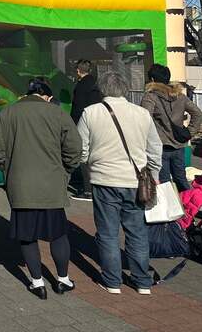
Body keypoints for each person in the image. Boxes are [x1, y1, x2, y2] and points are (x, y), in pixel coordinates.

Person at [0, 77, 82, 300]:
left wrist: (5, 168)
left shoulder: (8, 113)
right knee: (58, 234)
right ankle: (63, 280)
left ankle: (37, 283)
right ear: (47, 97)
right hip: (52, 184)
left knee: (27, 236)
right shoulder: (57, 113)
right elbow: (74, 147)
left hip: (20, 184)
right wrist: (66, 169)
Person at [78, 71, 162, 294]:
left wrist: (88, 162)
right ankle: (142, 281)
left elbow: (81, 149)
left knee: (107, 233)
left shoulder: (90, 112)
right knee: (137, 232)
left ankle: (112, 281)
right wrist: (154, 174)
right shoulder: (142, 113)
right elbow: (154, 149)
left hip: (103, 179)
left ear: (102, 89)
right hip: (136, 181)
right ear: (124, 88)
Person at [140, 63, 202, 192]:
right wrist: (189, 132)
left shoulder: (150, 97)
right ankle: (190, 201)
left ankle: (170, 204)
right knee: (181, 179)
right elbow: (198, 114)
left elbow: (144, 120)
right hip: (179, 144)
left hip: (159, 147)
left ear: (152, 79)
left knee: (163, 183)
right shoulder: (180, 96)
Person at [69, 59, 103, 201]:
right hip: (98, 122)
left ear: (78, 70)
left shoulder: (81, 86)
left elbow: (78, 107)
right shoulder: (96, 84)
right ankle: (96, 187)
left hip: (84, 122)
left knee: (84, 156)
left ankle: (88, 190)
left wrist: (72, 123)